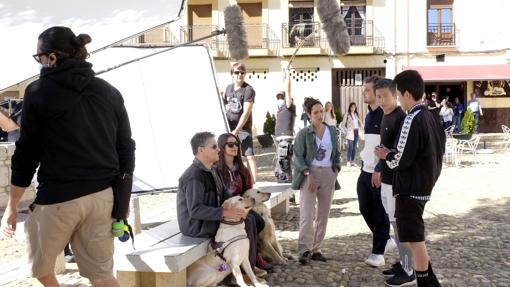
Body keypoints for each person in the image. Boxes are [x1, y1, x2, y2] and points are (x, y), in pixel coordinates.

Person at [0, 26, 136, 287]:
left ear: (51, 58)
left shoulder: (38, 92)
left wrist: (11, 206)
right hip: (103, 197)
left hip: (59, 198)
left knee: (38, 266)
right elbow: (126, 149)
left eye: (39, 57)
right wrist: (123, 198)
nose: (39, 63)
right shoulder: (109, 91)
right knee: (103, 275)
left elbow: (27, 154)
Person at [375, 70, 446, 287]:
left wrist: (385, 154)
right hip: (423, 186)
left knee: (416, 242)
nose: (397, 99)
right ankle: (431, 282)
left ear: (406, 94)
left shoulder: (412, 118)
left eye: (397, 94)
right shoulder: (430, 116)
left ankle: (424, 283)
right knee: (416, 239)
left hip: (409, 189)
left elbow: (399, 160)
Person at [373, 79, 416, 286]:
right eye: (378, 96)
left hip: (397, 183)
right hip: (386, 179)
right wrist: (379, 166)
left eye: (385, 96)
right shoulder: (385, 115)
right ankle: (403, 262)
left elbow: (401, 153)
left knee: (400, 227)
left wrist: (385, 155)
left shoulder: (401, 118)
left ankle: (409, 269)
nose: (381, 100)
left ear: (394, 95)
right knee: (394, 223)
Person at [292, 98, 341, 265]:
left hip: (328, 174)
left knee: (323, 214)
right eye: (316, 112)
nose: (320, 115)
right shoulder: (304, 134)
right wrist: (307, 173)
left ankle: (317, 249)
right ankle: (304, 249)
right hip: (309, 174)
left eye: (322, 111)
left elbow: (337, 153)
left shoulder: (332, 131)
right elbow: (297, 156)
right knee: (307, 213)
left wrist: (336, 169)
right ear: (309, 115)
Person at [216, 132, 273, 272]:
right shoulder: (217, 170)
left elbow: (248, 192)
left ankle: (253, 253)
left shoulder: (242, 169)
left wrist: (248, 207)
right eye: (230, 144)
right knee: (250, 222)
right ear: (222, 147)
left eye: (236, 144)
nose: (234, 147)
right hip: (228, 208)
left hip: (244, 206)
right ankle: (252, 263)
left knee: (259, 221)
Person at [357, 75, 395, 267]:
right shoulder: (369, 114)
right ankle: (385, 240)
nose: (364, 92)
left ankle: (378, 253)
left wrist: (379, 169)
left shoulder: (384, 114)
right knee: (364, 208)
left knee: (381, 212)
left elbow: (386, 144)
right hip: (365, 169)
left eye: (367, 89)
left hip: (379, 171)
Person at [223, 63, 257, 182]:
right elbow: (224, 106)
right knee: (229, 156)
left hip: (242, 128)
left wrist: (236, 131)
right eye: (237, 72)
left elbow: (246, 113)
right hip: (229, 127)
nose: (240, 75)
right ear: (232, 74)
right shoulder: (228, 88)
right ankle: (234, 181)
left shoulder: (248, 90)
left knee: (249, 156)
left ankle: (253, 183)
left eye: (242, 72)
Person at [274, 70, 296, 183]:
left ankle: (288, 194)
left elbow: (287, 90)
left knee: (284, 167)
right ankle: (287, 195)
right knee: (279, 169)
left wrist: (288, 75)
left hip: (285, 141)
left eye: (282, 98)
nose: (280, 100)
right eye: (278, 98)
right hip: (280, 141)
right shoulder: (281, 110)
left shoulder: (289, 107)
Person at [340, 102, 363, 167]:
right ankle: (348, 161)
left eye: (354, 107)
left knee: (354, 147)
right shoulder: (347, 114)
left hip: (356, 131)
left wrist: (361, 127)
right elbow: (343, 124)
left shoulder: (356, 114)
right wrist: (346, 131)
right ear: (350, 107)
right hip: (350, 132)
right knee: (351, 147)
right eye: (352, 107)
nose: (353, 108)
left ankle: (352, 161)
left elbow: (359, 122)